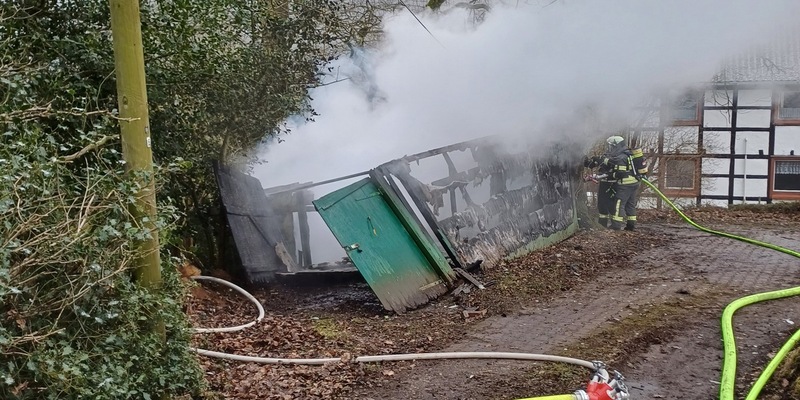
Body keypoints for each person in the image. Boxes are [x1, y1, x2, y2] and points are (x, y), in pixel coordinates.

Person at [602, 136, 648, 231]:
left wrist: (610, 174)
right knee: (630, 204)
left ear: (616, 145)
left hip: (625, 184)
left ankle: (616, 225)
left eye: (611, 146)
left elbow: (620, 173)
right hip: (635, 183)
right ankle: (631, 225)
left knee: (619, 204)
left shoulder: (621, 157)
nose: (610, 148)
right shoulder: (629, 154)